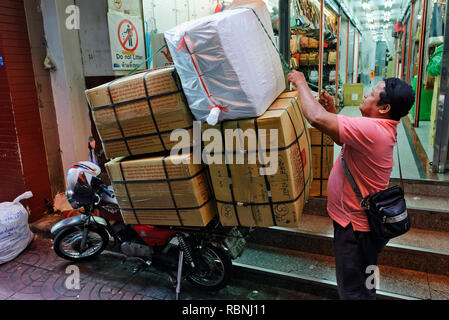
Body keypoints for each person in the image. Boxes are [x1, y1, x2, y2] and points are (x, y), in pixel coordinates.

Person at [287, 70, 415, 300]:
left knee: (353, 292)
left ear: (384, 108)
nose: (366, 94)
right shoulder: (379, 127)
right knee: (366, 280)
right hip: (367, 231)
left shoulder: (374, 130)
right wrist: (332, 113)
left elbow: (315, 117)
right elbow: (341, 139)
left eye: (372, 93)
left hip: (355, 231)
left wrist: (300, 82)